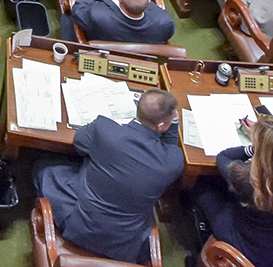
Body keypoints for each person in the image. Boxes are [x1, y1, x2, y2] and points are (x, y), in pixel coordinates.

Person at [35, 88, 183, 265]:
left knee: (43, 167)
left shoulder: (104, 129)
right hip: (125, 245)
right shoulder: (172, 161)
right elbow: (171, 147)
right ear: (161, 126)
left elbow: (80, 143)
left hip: (78, 226)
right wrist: (172, 123)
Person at [197, 111, 273, 267]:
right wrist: (269, 137)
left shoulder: (246, 177)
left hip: (252, 248)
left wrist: (252, 148)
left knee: (204, 188)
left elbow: (223, 157)